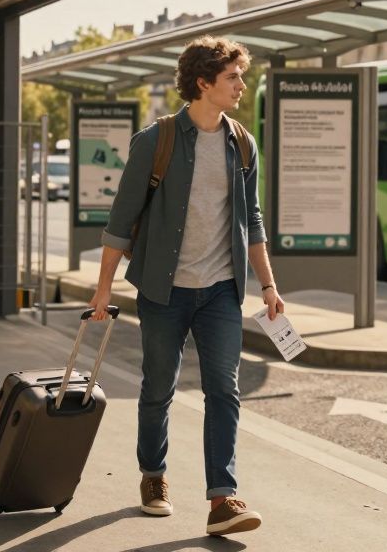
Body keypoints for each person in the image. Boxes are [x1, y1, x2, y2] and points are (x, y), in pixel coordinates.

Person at [88, 35, 284, 537]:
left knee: (224, 389)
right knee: (158, 388)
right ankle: (153, 476)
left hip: (221, 288)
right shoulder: (156, 141)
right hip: (163, 288)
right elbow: (120, 219)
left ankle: (223, 498)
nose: (242, 85)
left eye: (241, 75)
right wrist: (103, 289)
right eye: (233, 77)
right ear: (203, 83)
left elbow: (252, 220)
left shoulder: (242, 142)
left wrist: (268, 285)